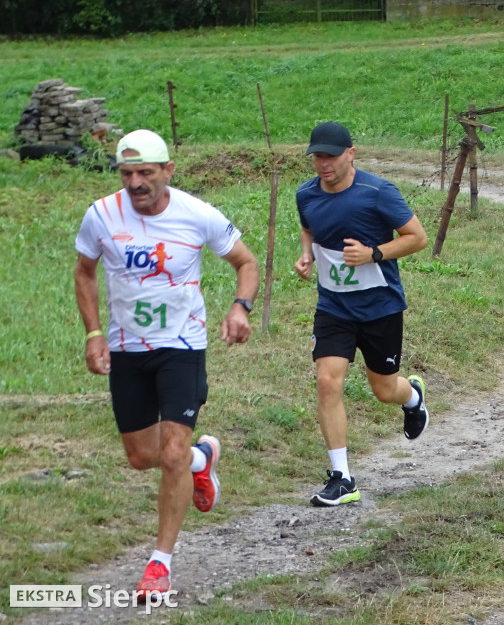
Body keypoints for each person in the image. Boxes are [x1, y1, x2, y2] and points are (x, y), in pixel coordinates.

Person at [73, 129, 259, 601]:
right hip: (127, 350)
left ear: (168, 171)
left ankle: (160, 563)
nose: (135, 183)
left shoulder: (196, 215)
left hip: (182, 346)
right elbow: (85, 271)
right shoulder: (101, 215)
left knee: (171, 452)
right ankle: (203, 459)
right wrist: (94, 333)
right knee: (141, 458)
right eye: (127, 173)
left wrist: (240, 307)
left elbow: (246, 263)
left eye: (146, 173)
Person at [295, 121, 429, 507]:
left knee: (384, 388)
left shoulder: (377, 192)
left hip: (379, 307)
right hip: (333, 306)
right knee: (327, 381)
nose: (323, 164)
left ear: (350, 154)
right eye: (317, 157)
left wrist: (373, 254)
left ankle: (413, 397)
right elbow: (308, 228)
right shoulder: (306, 194)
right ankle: (342, 477)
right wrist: (307, 255)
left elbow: (416, 238)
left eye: (331, 156)